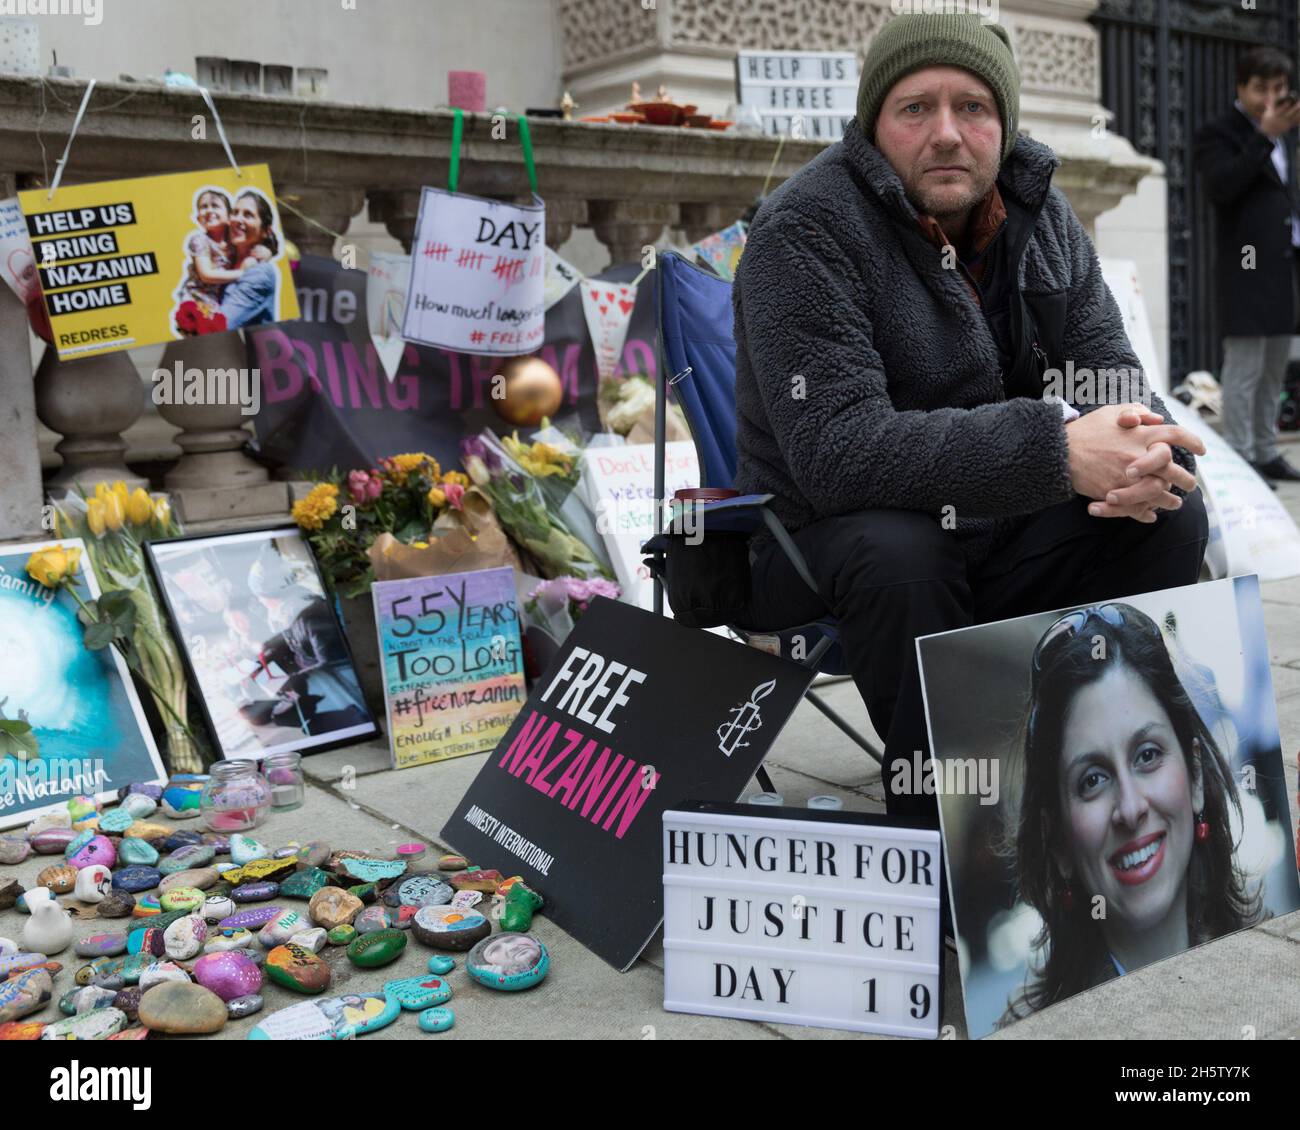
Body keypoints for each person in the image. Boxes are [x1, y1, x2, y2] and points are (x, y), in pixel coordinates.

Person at [734, 13, 1209, 823]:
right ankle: (951, 837)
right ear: (874, 125)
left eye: (973, 108)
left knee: (1165, 510)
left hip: (988, 523)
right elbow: (838, 450)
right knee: (903, 552)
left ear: (1005, 123)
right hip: (815, 534)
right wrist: (1056, 453)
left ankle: (1083, 766)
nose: (947, 133)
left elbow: (1108, 372)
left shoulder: (1043, 215)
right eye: (915, 108)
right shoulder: (805, 229)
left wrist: (1144, 452)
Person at [998, 602, 1262, 1022]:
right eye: (1092, 780)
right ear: (1059, 841)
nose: (1131, 808)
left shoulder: (1269, 966)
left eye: (1147, 755)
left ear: (1194, 778)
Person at [1194, 47, 1300, 490]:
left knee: (1275, 364)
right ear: (1241, 88)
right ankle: (1240, 457)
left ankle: (1264, 448)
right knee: (1244, 370)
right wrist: (1264, 136)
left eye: (1278, 88)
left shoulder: (1284, 137)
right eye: (1261, 89)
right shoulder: (1220, 133)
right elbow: (1223, 186)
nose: (1271, 98)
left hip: (1281, 269)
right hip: (1245, 268)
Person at [214, 188, 283, 329]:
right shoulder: (226, 259)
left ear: (266, 231)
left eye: (248, 215)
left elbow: (221, 325)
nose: (238, 219)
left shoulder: (260, 273)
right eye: (235, 213)